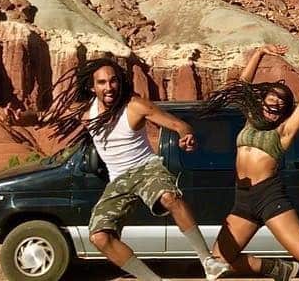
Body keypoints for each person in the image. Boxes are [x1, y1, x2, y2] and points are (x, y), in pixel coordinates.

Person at [43, 57, 230, 281]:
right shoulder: (85, 111)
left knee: (169, 197)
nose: (109, 87)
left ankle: (207, 260)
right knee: (99, 237)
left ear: (119, 82)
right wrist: (18, 119)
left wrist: (186, 135)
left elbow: (179, 125)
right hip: (119, 180)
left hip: (146, 169)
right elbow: (44, 117)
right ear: (92, 87)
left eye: (113, 81)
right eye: (102, 83)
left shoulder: (135, 106)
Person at [200, 45, 299, 281]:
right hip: (243, 198)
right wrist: (259, 53)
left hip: (268, 195)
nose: (274, 107)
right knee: (217, 265)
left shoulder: (283, 131)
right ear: (261, 102)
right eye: (271, 101)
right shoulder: (250, 120)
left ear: (283, 112)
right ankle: (275, 269)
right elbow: (242, 86)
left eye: (280, 106)